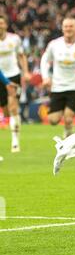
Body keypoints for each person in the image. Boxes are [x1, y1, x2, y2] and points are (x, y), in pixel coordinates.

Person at [40, 17, 75, 138]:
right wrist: (45, 77)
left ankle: (67, 140)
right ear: (62, 28)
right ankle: (67, 129)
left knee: (68, 118)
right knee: (53, 120)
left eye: (71, 26)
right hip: (57, 87)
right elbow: (45, 60)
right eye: (66, 26)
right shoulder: (54, 45)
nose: (68, 29)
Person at [0, 15, 30, 152]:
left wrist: (26, 72)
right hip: (1, 78)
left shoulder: (15, 39)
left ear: (6, 25)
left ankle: (15, 142)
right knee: (6, 112)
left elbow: (21, 55)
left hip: (13, 76)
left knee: (13, 108)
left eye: (1, 23)